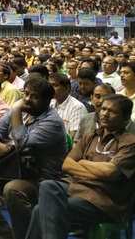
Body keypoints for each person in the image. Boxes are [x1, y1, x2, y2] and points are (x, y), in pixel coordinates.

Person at [26, 94, 135, 239]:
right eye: (103, 109)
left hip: (103, 200)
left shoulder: (130, 143)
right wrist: (97, 170)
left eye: (112, 112)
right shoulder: (90, 136)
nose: (104, 114)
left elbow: (110, 172)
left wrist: (83, 163)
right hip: (77, 189)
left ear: (125, 118)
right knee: (48, 185)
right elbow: (67, 164)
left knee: (40, 210)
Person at [0, 76, 67, 239]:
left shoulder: (52, 122)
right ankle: (4, 233)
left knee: (13, 189)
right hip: (15, 168)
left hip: (42, 178)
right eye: (26, 94)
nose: (27, 100)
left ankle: (25, 235)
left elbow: (23, 143)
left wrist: (16, 111)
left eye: (34, 96)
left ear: (47, 100)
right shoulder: (24, 111)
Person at [49, 73, 87, 138]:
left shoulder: (77, 107)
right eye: (49, 85)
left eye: (55, 85)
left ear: (67, 88)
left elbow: (74, 137)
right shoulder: (50, 103)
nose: (50, 89)